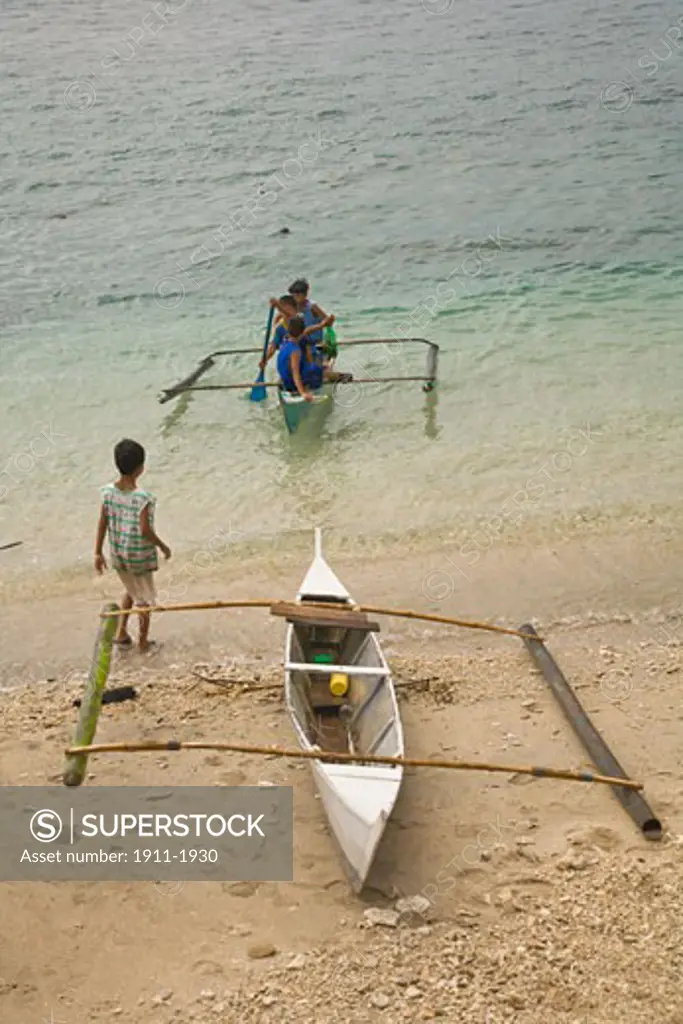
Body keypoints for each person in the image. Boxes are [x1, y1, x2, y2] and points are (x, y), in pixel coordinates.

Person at [94, 438, 171, 652]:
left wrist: (97, 552)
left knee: (131, 590)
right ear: (141, 468)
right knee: (144, 599)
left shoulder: (108, 493)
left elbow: (103, 522)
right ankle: (143, 642)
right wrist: (163, 547)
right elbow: (145, 530)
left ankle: (121, 633)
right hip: (138, 557)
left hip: (118, 555)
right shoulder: (142, 499)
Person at [276, 316, 323, 401]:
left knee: (312, 364)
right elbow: (295, 373)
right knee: (318, 368)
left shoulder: (284, 342)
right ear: (302, 332)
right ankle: (311, 388)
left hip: (285, 380)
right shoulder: (295, 351)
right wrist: (303, 393)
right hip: (291, 384)